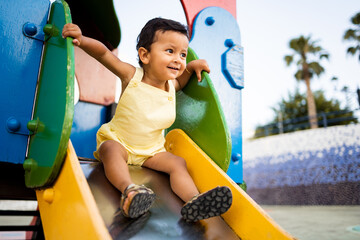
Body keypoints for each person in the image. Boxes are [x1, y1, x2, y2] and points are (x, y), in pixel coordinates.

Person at [62, 17, 232, 222]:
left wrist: (193, 64)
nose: (178, 59)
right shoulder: (131, 76)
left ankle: (194, 201)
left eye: (183, 54)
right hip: (121, 142)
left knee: (178, 163)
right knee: (110, 150)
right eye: (170, 51)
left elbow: (184, 75)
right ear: (145, 55)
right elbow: (104, 54)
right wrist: (82, 39)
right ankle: (130, 191)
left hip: (152, 151)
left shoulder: (172, 86)